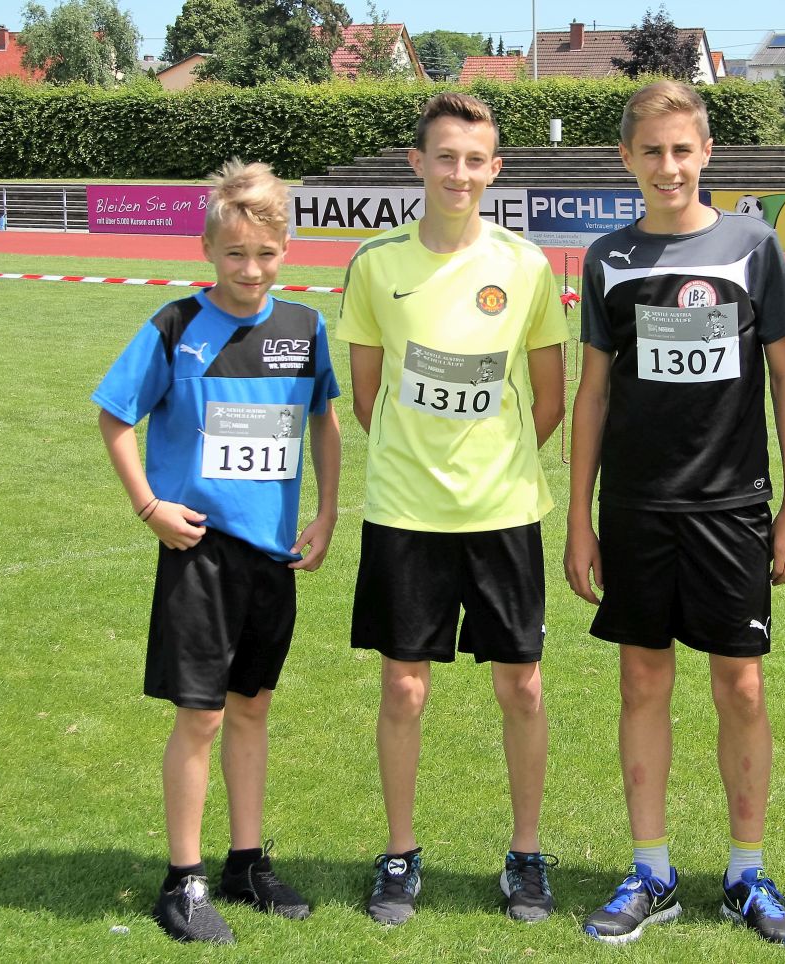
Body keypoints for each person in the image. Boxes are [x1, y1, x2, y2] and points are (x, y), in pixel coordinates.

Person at [565, 80, 785, 948]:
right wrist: (578, 520)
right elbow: (593, 393)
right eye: (651, 151)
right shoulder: (608, 257)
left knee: (739, 684)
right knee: (642, 682)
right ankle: (652, 870)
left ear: (706, 153)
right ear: (626, 159)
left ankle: (747, 873)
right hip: (635, 506)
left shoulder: (753, 245)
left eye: (683, 149)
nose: (668, 166)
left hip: (733, 508)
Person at [93, 160, 342, 945]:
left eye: (265, 253)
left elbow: (325, 421)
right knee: (198, 718)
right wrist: (149, 506)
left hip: (272, 559)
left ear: (286, 249)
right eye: (235, 254)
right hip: (198, 553)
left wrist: (328, 512)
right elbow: (114, 417)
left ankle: (244, 863)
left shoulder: (306, 328)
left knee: (253, 710)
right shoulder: (173, 325)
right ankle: (183, 878)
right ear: (208, 249)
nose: (250, 269)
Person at [337, 92, 567, 926]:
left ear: (494, 169)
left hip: (503, 512)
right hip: (404, 512)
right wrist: (425, 460)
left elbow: (549, 403)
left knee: (525, 689)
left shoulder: (528, 266)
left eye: (475, 160)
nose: (459, 173)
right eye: (445, 157)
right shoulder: (375, 265)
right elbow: (369, 400)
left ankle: (526, 856)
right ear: (418, 164)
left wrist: (488, 464)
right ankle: (398, 857)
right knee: (402, 690)